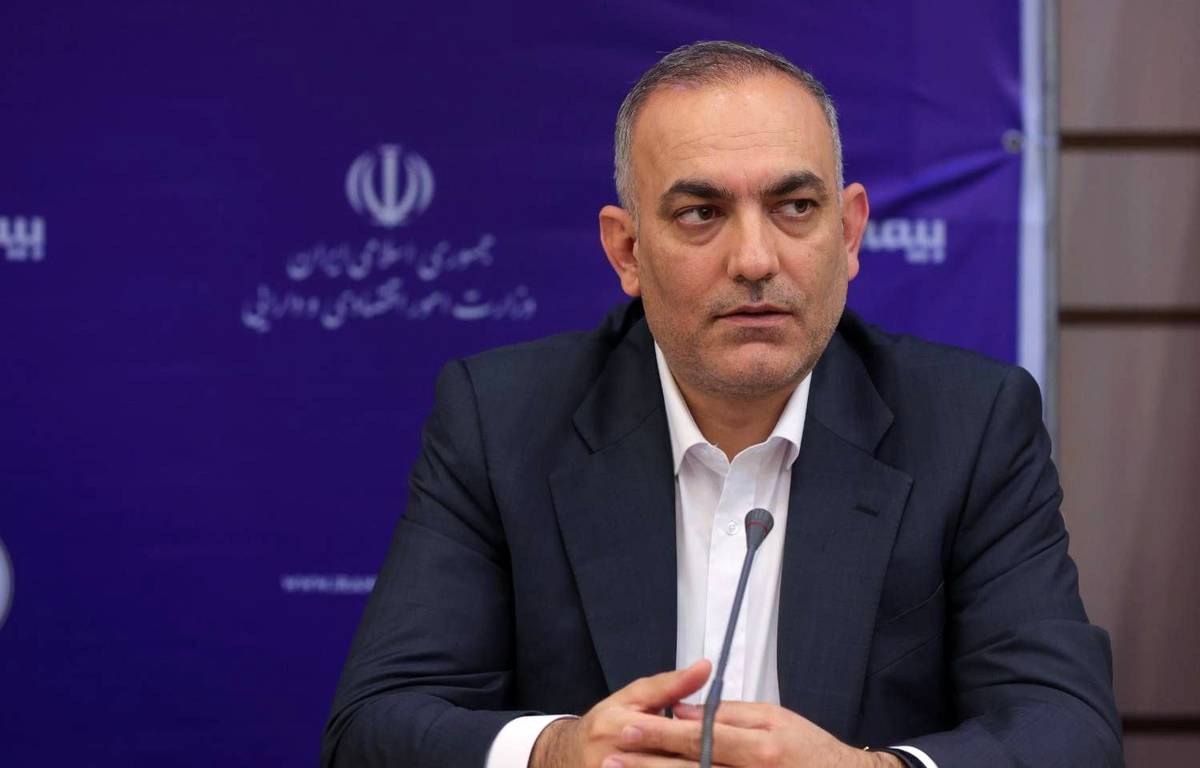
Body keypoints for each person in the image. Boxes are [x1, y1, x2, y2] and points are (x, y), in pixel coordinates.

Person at [321, 41, 1122, 768]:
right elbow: (373, 728)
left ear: (849, 235)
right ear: (627, 250)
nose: (755, 259)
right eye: (701, 214)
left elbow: (1069, 733)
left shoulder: (970, 424)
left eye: (795, 207)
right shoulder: (501, 423)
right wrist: (555, 753)